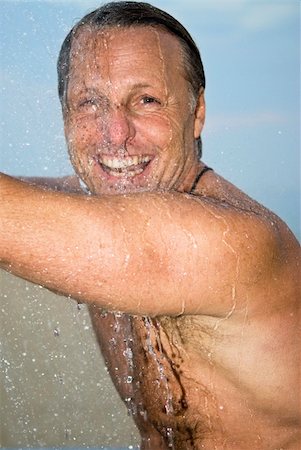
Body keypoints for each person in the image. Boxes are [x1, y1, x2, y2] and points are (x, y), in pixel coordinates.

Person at [0, 2, 300, 449]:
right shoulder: (92, 209)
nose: (115, 132)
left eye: (147, 100)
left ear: (197, 112)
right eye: (89, 102)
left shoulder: (233, 242)